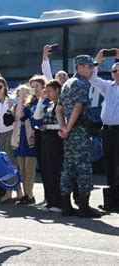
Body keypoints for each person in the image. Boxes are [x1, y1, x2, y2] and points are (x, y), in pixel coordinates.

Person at [56, 55, 101, 218]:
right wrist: (68, 127)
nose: (92, 70)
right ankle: (84, 207)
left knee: (68, 168)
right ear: (80, 67)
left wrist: (63, 128)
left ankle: (66, 206)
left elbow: (58, 109)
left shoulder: (67, 83)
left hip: (70, 133)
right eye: (89, 67)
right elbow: (78, 106)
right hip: (80, 130)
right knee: (84, 169)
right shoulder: (81, 83)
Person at [90, 49, 119, 190]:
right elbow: (93, 78)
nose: (117, 73)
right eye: (114, 71)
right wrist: (97, 60)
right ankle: (112, 199)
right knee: (109, 164)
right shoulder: (108, 86)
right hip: (107, 130)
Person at [34, 80, 63, 212]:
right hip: (46, 139)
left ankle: (58, 202)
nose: (48, 94)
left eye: (50, 91)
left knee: (55, 170)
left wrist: (49, 126)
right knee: (46, 170)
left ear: (57, 90)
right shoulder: (48, 104)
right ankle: (50, 201)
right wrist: (41, 99)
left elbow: (64, 124)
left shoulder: (61, 104)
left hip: (57, 139)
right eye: (46, 91)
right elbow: (36, 116)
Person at [11, 85, 37, 205]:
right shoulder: (16, 106)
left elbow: (22, 116)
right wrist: (19, 101)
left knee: (29, 169)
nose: (22, 95)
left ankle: (29, 195)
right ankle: (26, 194)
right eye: (20, 93)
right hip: (18, 139)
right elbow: (15, 116)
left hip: (29, 139)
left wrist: (23, 100)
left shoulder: (31, 105)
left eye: (25, 93)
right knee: (22, 170)